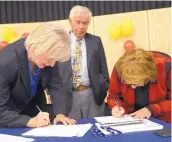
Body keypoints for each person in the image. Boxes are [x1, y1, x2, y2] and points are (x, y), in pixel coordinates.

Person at [0, 23, 76, 128]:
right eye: (50, 59)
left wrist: (60, 114)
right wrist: (29, 121)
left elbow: (56, 84)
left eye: (55, 60)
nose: (53, 64)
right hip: (7, 119)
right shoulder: (5, 62)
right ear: (33, 48)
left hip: (34, 112)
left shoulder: (48, 54)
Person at [57, 5, 109, 120]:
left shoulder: (96, 41)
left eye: (85, 23)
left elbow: (104, 70)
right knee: (72, 134)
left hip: (92, 95)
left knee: (95, 133)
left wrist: (102, 89)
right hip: (68, 96)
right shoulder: (60, 42)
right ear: (70, 22)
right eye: (78, 22)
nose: (81, 27)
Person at [107, 48, 171, 123]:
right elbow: (113, 97)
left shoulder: (167, 67)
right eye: (126, 82)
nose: (132, 87)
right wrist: (116, 106)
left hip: (163, 121)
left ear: (148, 77)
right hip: (132, 121)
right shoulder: (121, 68)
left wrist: (151, 109)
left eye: (135, 83)